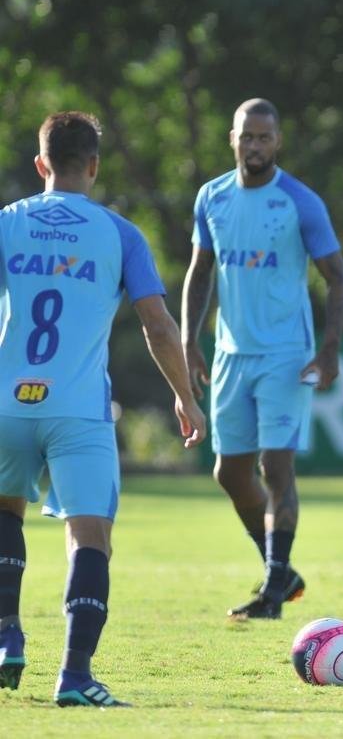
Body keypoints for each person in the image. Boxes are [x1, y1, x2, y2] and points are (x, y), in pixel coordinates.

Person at [0, 112, 206, 706]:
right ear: (93, 165)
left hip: (9, 403)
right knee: (89, 536)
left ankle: (7, 634)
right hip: (79, 410)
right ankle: (75, 675)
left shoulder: (8, 223)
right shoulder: (120, 233)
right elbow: (159, 327)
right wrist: (185, 398)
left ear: (40, 164)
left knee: (5, 512)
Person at [182, 98, 343, 620]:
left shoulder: (300, 202)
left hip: (286, 354)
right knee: (229, 474)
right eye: (246, 136)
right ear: (232, 139)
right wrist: (189, 341)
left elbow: (338, 278)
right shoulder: (211, 197)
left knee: (276, 467)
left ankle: (274, 591)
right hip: (232, 353)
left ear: (277, 142)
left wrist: (328, 350)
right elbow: (200, 271)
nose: (254, 146)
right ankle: (282, 571)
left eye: (263, 138)